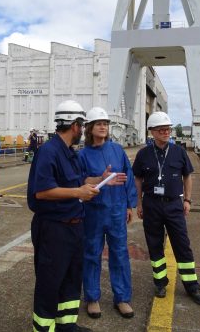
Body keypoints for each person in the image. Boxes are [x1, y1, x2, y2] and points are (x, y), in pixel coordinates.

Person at [27, 100, 127, 332]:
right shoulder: (48, 152)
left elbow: (79, 181)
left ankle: (66, 325)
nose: (83, 131)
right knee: (50, 282)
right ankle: (44, 328)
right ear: (74, 125)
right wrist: (78, 193)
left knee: (71, 279)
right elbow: (42, 192)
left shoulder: (69, 152)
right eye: (82, 126)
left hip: (73, 227)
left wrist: (100, 179)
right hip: (54, 228)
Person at [132, 111, 200, 305]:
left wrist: (188, 200)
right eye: (161, 129)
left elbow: (187, 176)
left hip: (174, 204)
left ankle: (192, 287)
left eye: (168, 129)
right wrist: (138, 203)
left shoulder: (179, 152)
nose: (166, 132)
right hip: (151, 205)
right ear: (152, 132)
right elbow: (138, 179)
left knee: (182, 245)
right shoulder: (143, 154)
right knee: (155, 245)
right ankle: (160, 283)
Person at [78, 107, 137, 319]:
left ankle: (122, 298)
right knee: (92, 254)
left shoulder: (118, 150)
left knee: (120, 254)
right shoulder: (82, 155)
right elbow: (79, 181)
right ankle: (92, 298)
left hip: (116, 210)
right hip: (93, 212)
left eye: (105, 123)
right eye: (98, 123)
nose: (103, 126)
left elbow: (128, 178)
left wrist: (130, 205)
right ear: (90, 128)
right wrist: (100, 178)